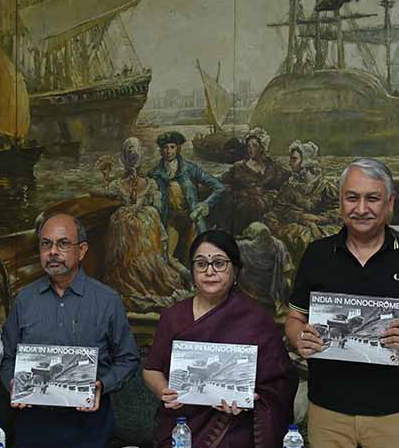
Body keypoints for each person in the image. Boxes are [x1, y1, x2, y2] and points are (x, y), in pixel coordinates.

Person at [285, 158, 399, 448]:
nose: (361, 208)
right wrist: (299, 338)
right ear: (340, 202)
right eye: (352, 197)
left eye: (372, 198)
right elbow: (294, 321)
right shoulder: (316, 255)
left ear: (390, 203)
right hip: (327, 411)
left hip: (394, 415)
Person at [143, 230, 298, 448]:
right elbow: (151, 369)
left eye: (219, 263)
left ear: (235, 270)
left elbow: (281, 381)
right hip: (182, 430)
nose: (209, 271)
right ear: (193, 271)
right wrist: (164, 391)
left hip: (236, 435)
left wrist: (249, 399)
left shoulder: (255, 319)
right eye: (201, 264)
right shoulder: (173, 317)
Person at [0, 213, 140, 448]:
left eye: (63, 244)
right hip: (33, 424)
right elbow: (7, 357)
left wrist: (101, 385)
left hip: (88, 426)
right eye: (46, 244)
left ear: (82, 250)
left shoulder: (107, 300)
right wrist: (12, 383)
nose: (53, 251)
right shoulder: (24, 300)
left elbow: (128, 359)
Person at [101, 137, 191, 312]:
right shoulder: (148, 184)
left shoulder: (121, 184)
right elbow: (157, 204)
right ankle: (145, 273)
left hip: (130, 225)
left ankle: (137, 274)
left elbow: (101, 191)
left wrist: (106, 178)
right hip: (142, 223)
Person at [148, 131, 225, 264]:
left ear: (178, 148)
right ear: (161, 150)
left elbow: (219, 187)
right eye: (165, 148)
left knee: (195, 256)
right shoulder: (154, 173)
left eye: (172, 147)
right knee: (166, 258)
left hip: (192, 219)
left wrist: (204, 204)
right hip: (171, 220)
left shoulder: (190, 169)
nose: (168, 151)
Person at [265, 139, 342, 263]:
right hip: (295, 225)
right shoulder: (289, 186)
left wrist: (318, 219)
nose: (290, 163)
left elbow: (339, 209)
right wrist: (301, 217)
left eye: (294, 159)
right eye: (291, 159)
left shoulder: (325, 186)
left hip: (323, 226)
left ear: (305, 162)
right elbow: (278, 210)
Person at [218, 127, 291, 236]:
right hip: (246, 206)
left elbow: (287, 176)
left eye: (254, 146)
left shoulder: (272, 166)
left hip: (268, 204)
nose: (250, 149)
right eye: (248, 146)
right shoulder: (239, 167)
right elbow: (222, 179)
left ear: (262, 148)